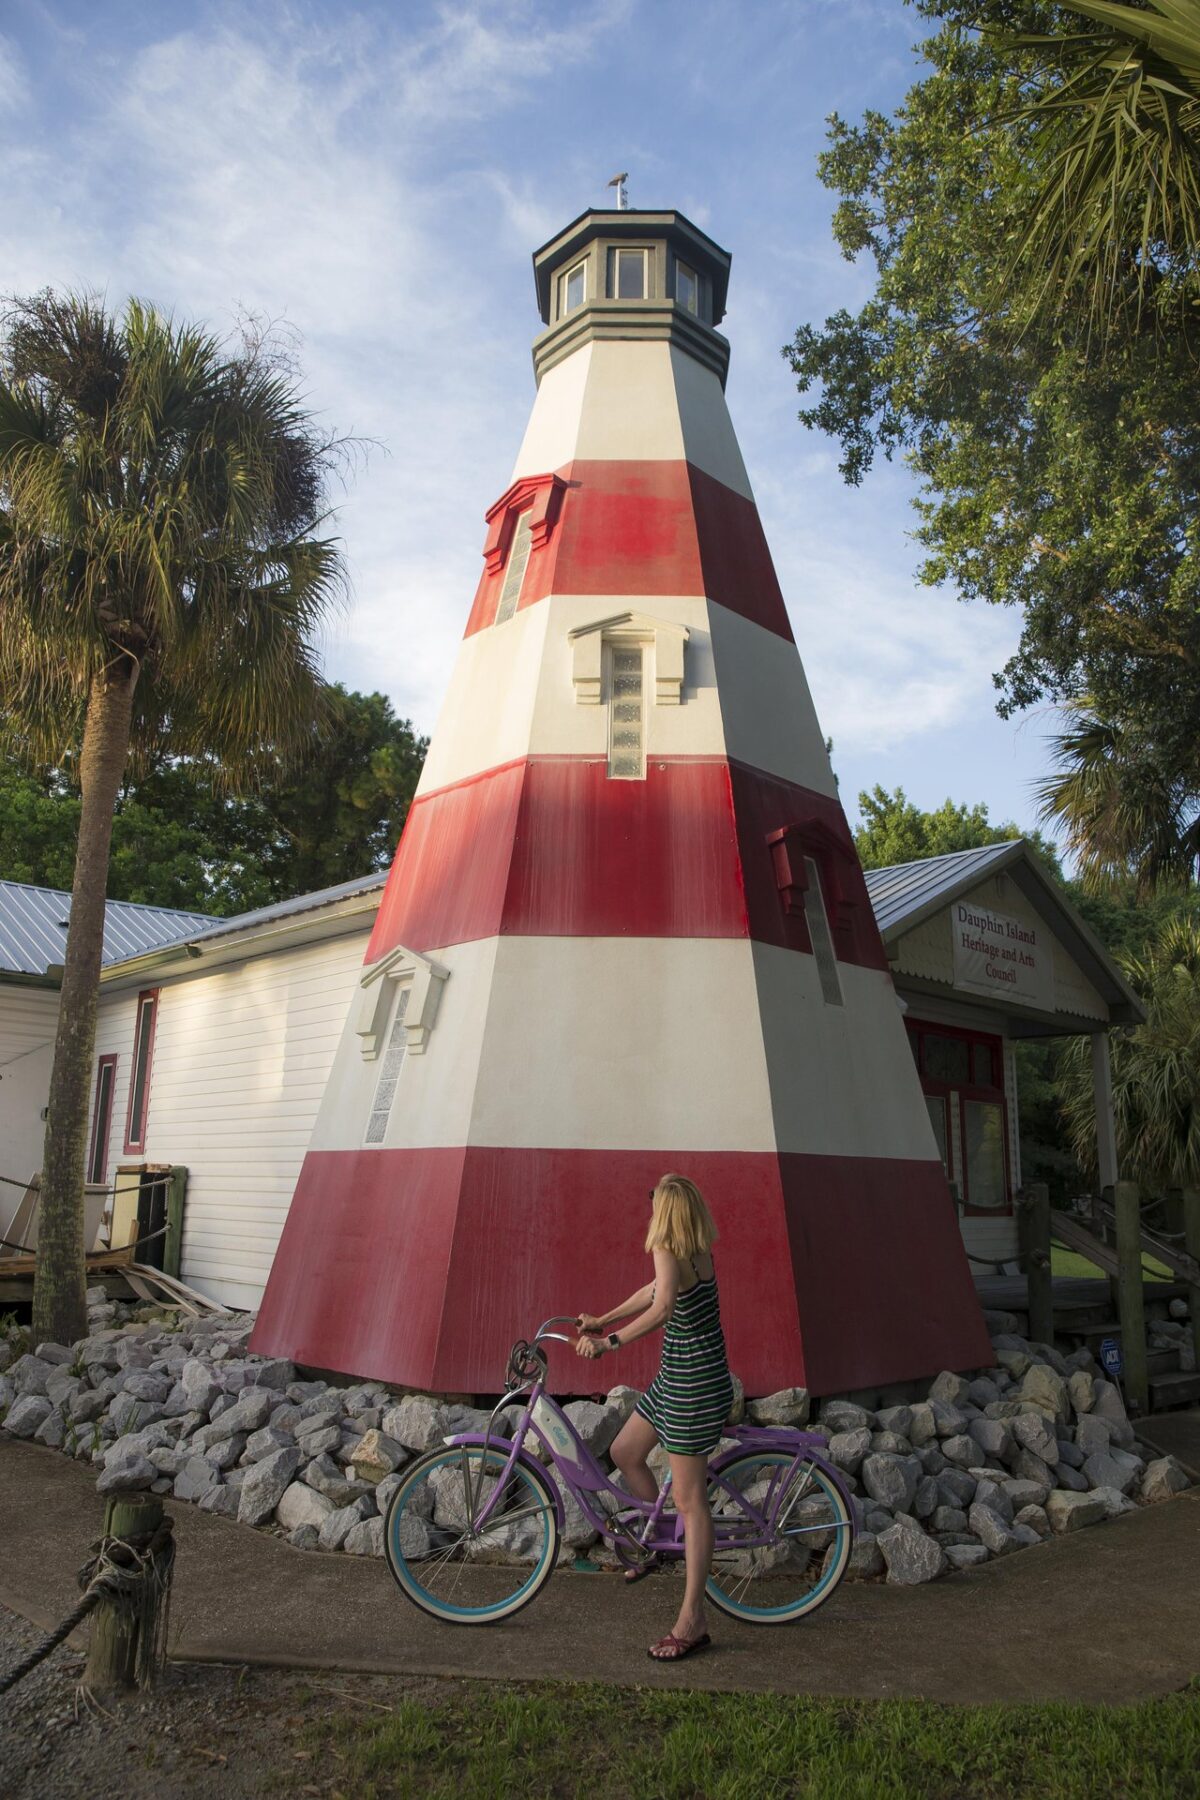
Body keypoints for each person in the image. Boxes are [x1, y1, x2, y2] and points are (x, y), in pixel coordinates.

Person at [575, 1173, 734, 1662]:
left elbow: (663, 1306)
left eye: (652, 1202)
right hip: (678, 1378)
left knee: (691, 1501)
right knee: (625, 1451)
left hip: (693, 1386)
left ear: (665, 1212)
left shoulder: (671, 1247)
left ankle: (693, 1619)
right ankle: (659, 1544)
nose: (649, 1210)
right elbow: (652, 1292)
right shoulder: (694, 1249)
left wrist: (609, 1344)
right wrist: (603, 1317)